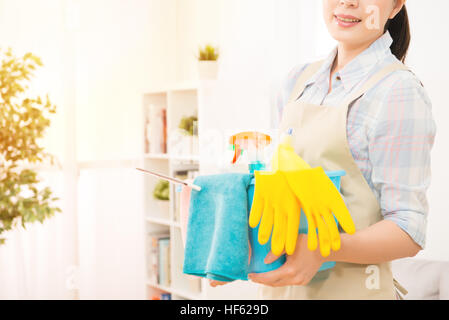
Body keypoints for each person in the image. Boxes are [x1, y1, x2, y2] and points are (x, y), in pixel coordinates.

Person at [212, 0, 437, 300]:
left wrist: (324, 247)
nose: (348, 2)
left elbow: (408, 230)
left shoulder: (398, 91)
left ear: (396, 6)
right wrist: (232, 232)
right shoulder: (298, 80)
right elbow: (278, 188)